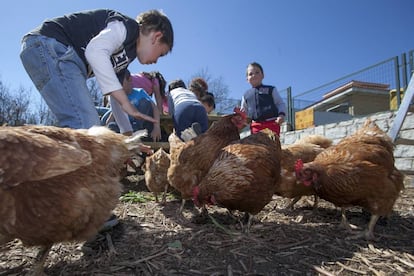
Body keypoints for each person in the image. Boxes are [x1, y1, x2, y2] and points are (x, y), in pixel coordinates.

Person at [20, 9, 174, 130]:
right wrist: (126, 102)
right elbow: (94, 51)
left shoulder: (124, 58)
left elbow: (115, 100)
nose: (155, 61)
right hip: (50, 46)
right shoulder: (127, 27)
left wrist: (127, 137)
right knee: (87, 126)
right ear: (156, 37)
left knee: (84, 126)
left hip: (46, 52)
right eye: (160, 54)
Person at [108, 69, 162, 141]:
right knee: (111, 126)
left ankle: (135, 129)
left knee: (145, 102)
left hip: (143, 127)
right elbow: (113, 115)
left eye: (120, 84)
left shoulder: (140, 92)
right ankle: (130, 131)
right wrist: (107, 127)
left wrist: (157, 127)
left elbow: (154, 108)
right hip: (127, 128)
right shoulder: (120, 98)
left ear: (129, 79)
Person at [240, 62, 286, 136]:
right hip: (256, 126)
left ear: (263, 75)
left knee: (272, 145)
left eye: (257, 72)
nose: (254, 75)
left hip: (272, 124)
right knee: (257, 146)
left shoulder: (271, 89)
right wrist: (242, 119)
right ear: (247, 79)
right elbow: (244, 111)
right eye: (250, 74)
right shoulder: (245, 95)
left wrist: (281, 115)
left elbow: (280, 103)